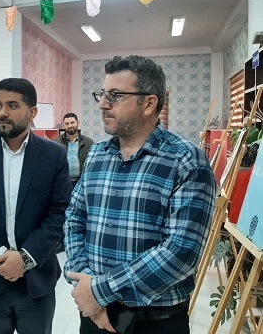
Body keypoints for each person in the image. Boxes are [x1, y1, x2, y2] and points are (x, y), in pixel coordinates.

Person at [64, 55, 216, 334]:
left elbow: (182, 251)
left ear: (149, 103)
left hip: (155, 322)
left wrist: (100, 290)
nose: (102, 104)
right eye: (102, 94)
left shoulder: (186, 160)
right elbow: (75, 218)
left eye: (115, 95)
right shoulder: (97, 154)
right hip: (94, 315)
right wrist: (82, 282)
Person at [0, 78, 72, 334]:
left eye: (12, 105)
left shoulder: (53, 155)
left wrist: (24, 258)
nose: (3, 112)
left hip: (36, 280)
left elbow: (59, 213)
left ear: (32, 112)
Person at [54, 113, 94, 187]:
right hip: (63, 182)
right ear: (64, 125)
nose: (70, 126)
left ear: (78, 123)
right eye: (67, 123)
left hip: (82, 182)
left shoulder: (88, 142)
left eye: (72, 122)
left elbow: (92, 163)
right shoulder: (56, 142)